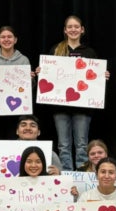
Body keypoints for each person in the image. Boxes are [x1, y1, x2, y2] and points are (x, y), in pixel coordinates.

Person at [45, 15, 110, 170]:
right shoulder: (56, 50)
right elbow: (50, 75)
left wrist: (102, 76)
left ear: (82, 30)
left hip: (83, 107)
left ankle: (81, 177)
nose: (73, 29)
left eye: (76, 27)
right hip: (60, 106)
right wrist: (43, 71)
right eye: (70, 27)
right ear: (65, 30)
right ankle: (67, 178)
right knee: (63, 146)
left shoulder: (89, 52)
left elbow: (94, 79)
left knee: (82, 145)